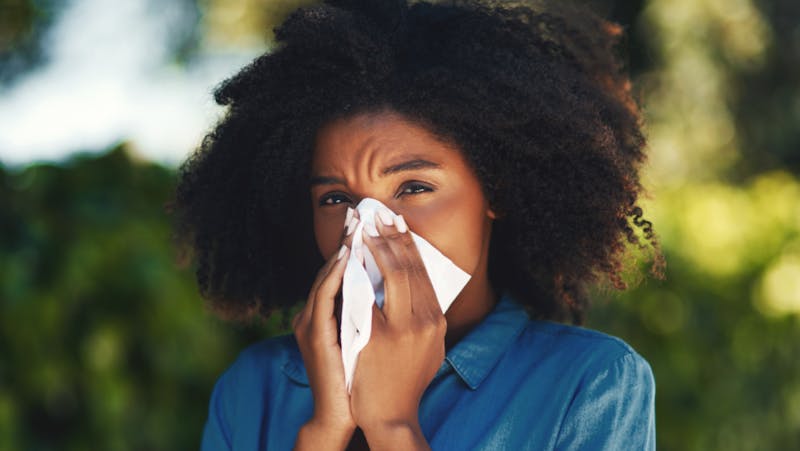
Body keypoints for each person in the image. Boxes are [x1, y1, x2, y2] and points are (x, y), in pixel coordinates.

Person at [171, 0, 666, 449]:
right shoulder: (253, 391)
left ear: (494, 191)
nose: (368, 227)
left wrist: (392, 426)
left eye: (412, 188)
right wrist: (324, 431)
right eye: (337, 198)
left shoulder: (591, 384)